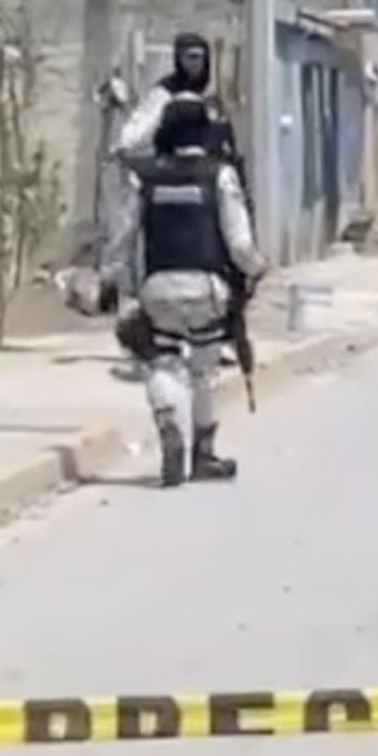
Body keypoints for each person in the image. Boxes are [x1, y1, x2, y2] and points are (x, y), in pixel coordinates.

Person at [104, 96, 268, 487]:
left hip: (158, 290)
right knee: (203, 370)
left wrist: (112, 279)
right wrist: (257, 271)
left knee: (159, 361)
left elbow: (122, 238)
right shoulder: (220, 175)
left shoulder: (143, 177)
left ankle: (167, 424)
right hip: (208, 292)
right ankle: (203, 454)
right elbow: (240, 243)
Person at [116, 32, 221, 162]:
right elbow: (145, 120)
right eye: (191, 57)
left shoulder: (209, 94)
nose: (197, 62)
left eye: (201, 57)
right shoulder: (166, 91)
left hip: (206, 168)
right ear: (179, 58)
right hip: (172, 168)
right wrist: (125, 143)